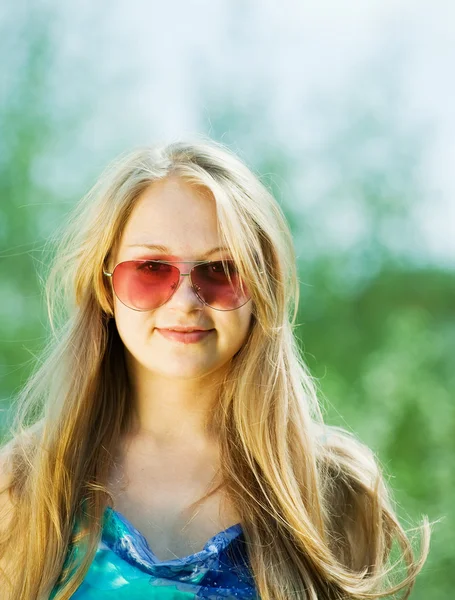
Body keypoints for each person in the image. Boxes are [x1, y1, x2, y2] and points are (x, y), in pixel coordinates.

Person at [0, 136, 431, 599]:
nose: (185, 302)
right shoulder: (26, 483)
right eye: (150, 268)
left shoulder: (332, 486)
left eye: (221, 270)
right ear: (105, 286)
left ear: (264, 289)